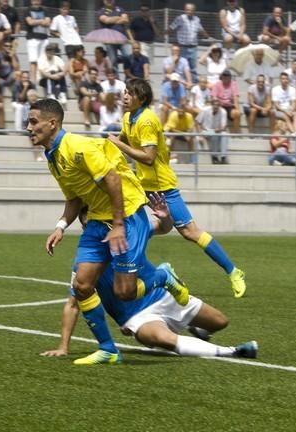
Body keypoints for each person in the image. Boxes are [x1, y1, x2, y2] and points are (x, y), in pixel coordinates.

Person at [26, 98, 190, 364]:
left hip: (125, 214)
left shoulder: (77, 146)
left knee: (124, 291)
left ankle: (163, 276)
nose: (29, 127)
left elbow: (113, 179)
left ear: (52, 123)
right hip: (97, 220)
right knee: (81, 285)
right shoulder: (53, 157)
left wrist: (117, 225)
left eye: (33, 122)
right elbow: (74, 198)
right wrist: (60, 226)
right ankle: (108, 350)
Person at [40, 198, 258, 361]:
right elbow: (72, 305)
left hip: (162, 296)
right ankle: (233, 352)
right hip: (137, 317)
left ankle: (192, 324)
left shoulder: (130, 233)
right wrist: (63, 346)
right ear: (86, 226)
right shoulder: (85, 262)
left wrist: (166, 218)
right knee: (162, 339)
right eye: (91, 223)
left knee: (220, 322)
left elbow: (162, 228)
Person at [108, 80, 246, 297]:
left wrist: (117, 144)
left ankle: (234, 272)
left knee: (190, 232)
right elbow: (121, 142)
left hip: (162, 186)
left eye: (130, 93)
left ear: (141, 99)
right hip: (140, 185)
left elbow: (149, 157)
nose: (124, 96)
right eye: (124, 92)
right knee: (139, 226)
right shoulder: (128, 118)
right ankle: (129, 270)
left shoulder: (147, 120)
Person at [170, 3, 209, 84]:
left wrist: (207, 36)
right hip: (183, 47)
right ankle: (183, 83)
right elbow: (172, 27)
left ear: (194, 11)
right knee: (183, 66)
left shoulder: (197, 19)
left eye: (191, 10)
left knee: (193, 67)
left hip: (193, 47)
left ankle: (193, 85)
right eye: (187, 9)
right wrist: (162, 34)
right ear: (185, 10)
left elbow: (201, 29)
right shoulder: (180, 18)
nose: (189, 11)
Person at [96, 0, 131, 71]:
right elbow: (106, 21)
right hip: (109, 39)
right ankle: (116, 78)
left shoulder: (120, 9)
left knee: (127, 56)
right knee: (113, 61)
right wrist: (119, 18)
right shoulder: (101, 11)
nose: (109, 1)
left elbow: (126, 19)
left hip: (122, 38)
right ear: (104, 1)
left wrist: (112, 20)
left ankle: (127, 75)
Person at [25, 0, 51, 85]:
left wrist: (36, 21)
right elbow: (30, 22)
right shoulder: (28, 10)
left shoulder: (45, 10)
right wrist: (41, 21)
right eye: (35, 0)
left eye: (38, 0)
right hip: (32, 39)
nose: (37, 2)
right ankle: (32, 82)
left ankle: (40, 81)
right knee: (33, 61)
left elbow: (48, 22)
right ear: (31, 1)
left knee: (42, 61)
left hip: (44, 39)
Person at [196, 97, 229, 164]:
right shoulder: (204, 110)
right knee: (214, 134)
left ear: (220, 105)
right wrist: (200, 136)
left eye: (217, 105)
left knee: (225, 134)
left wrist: (218, 129)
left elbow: (224, 126)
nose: (216, 106)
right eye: (214, 105)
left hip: (217, 131)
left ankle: (223, 157)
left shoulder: (223, 112)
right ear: (211, 105)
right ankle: (214, 157)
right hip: (205, 131)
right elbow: (197, 122)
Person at [210, 69, 241, 133]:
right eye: (224, 76)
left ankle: (235, 134)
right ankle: (215, 131)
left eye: (227, 76)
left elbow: (236, 97)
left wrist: (237, 108)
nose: (225, 77)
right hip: (219, 105)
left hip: (230, 105)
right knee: (213, 110)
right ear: (222, 77)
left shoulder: (233, 84)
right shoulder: (217, 84)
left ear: (230, 77)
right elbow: (214, 97)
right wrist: (216, 104)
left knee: (237, 113)